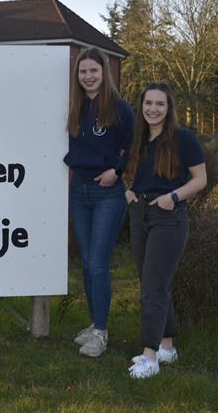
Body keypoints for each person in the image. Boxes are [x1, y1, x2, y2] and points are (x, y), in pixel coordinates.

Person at [124, 82, 206, 379]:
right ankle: (167, 348)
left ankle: (150, 357)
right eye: (148, 103)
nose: (153, 109)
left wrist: (172, 197)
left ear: (169, 108)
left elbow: (200, 179)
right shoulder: (139, 139)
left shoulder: (184, 139)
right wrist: (128, 192)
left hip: (168, 218)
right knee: (154, 283)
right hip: (140, 214)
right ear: (141, 106)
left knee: (153, 287)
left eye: (160, 104)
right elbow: (129, 172)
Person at [63, 47, 135, 357]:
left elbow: (135, 146)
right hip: (78, 191)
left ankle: (101, 332)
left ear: (104, 73)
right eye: (83, 71)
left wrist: (116, 171)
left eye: (94, 70)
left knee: (97, 263)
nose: (88, 76)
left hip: (107, 194)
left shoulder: (119, 108)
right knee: (86, 263)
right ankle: (95, 324)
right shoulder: (75, 107)